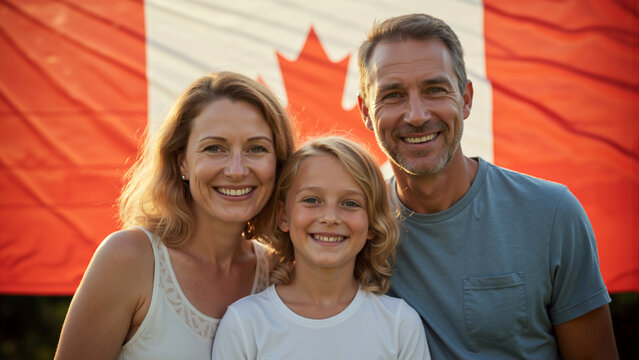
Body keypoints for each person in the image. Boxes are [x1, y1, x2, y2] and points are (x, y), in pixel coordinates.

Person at [356, 13, 618, 360]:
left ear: (465, 99)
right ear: (364, 111)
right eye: (393, 95)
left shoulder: (551, 213)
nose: (416, 115)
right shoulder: (356, 230)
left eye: (435, 89)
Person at [55, 71, 295, 360]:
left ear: (278, 163)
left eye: (256, 148)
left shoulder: (277, 274)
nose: (236, 170)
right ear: (182, 161)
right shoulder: (128, 259)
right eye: (214, 148)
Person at [211, 136, 431, 359]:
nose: (330, 217)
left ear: (372, 223)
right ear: (283, 215)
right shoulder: (245, 324)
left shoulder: (399, 325)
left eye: (350, 203)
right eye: (312, 200)